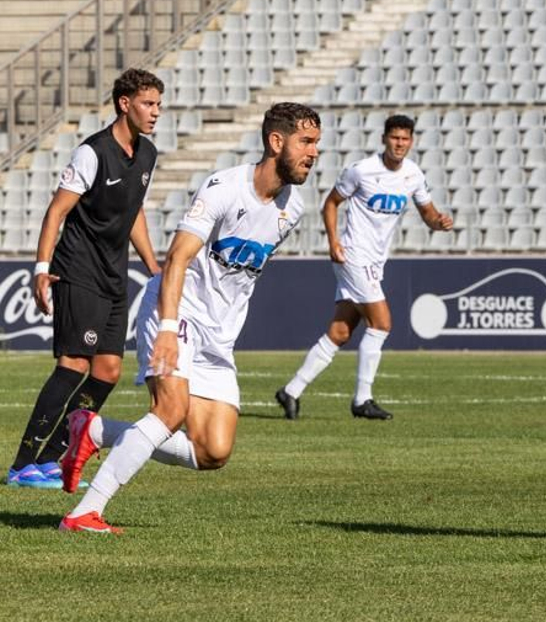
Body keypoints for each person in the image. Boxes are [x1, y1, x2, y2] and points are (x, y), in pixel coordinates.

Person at [57, 103, 322, 533]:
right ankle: (84, 512)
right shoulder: (223, 188)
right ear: (276, 142)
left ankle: (95, 430)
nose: (314, 153)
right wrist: (166, 329)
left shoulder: (294, 208)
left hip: (218, 334)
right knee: (170, 410)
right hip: (175, 311)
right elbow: (178, 258)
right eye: (306, 142)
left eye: (317, 145)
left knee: (212, 452)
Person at [7, 69, 163, 491]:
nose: (155, 113)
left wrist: (155, 268)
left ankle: (53, 458)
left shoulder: (147, 155)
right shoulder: (92, 153)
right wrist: (41, 271)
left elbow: (135, 214)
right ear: (124, 103)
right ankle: (23, 464)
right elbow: (57, 211)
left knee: (109, 370)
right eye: (148, 104)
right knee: (74, 363)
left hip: (114, 275)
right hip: (77, 269)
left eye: (158, 105)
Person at [276, 114, 453, 422]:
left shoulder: (413, 175)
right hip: (354, 255)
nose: (400, 144)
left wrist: (439, 222)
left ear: (411, 142)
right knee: (382, 323)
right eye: (395, 137)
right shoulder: (362, 171)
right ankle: (362, 399)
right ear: (384, 138)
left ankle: (291, 390)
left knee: (341, 331)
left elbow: (428, 213)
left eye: (405, 138)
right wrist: (333, 242)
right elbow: (330, 203)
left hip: (375, 261)